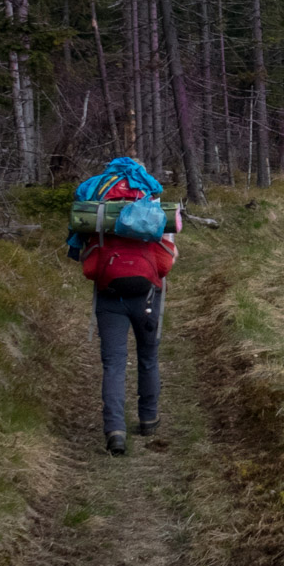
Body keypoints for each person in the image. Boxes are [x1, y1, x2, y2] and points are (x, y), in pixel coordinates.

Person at [78, 183, 178, 456]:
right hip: (148, 297)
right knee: (148, 358)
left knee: (113, 365)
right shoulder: (155, 210)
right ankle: (148, 419)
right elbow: (166, 263)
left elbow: (87, 263)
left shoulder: (98, 209)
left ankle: (115, 431)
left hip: (109, 298)